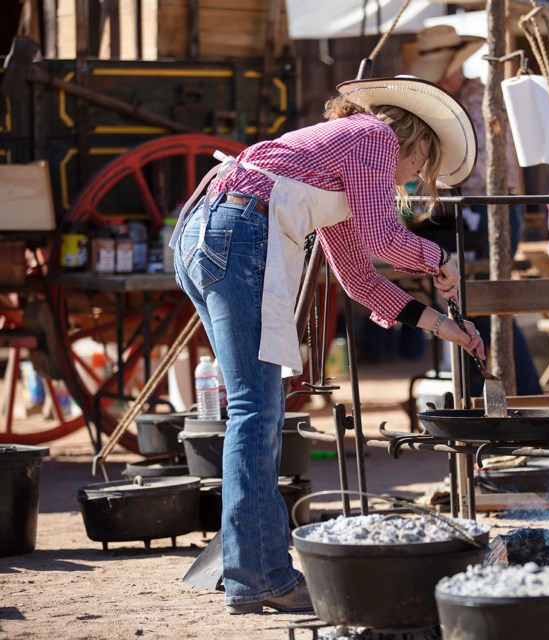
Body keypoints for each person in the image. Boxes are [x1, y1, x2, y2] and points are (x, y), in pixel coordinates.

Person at [169, 76, 483, 614]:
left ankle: (262, 574)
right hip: (240, 231)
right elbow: (386, 239)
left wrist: (439, 323)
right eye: (420, 171)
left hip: (210, 231)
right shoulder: (373, 140)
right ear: (419, 142)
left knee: (256, 412)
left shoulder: (338, 157)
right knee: (253, 412)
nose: (410, 183)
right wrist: (441, 259)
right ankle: (255, 577)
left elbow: (359, 278)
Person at [406, 25, 541, 397]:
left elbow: (480, 171)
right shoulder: (454, 102)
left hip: (491, 210)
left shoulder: (477, 101)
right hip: (469, 214)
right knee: (470, 307)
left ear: (451, 69)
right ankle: (487, 394)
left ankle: (519, 393)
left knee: (483, 304)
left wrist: (426, 173)